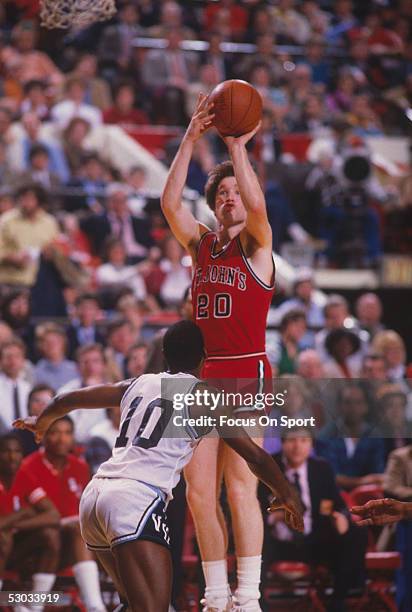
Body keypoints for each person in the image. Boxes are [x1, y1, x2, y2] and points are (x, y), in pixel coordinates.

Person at [14, 320, 303, 612]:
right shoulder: (204, 396)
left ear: (164, 354)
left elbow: (68, 399)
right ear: (205, 356)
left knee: (133, 604)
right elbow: (255, 456)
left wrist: (43, 421)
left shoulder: (139, 383)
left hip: (95, 498)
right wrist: (287, 493)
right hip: (135, 500)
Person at [161, 94, 276, 611]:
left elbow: (257, 207)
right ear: (213, 204)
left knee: (239, 489)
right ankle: (214, 595)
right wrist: (190, 139)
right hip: (202, 379)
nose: (231, 197)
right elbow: (169, 205)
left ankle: (247, 597)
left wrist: (236, 148)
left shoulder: (258, 245)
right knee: (198, 493)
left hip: (246, 374)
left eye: (236, 190)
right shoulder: (200, 246)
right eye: (222, 192)